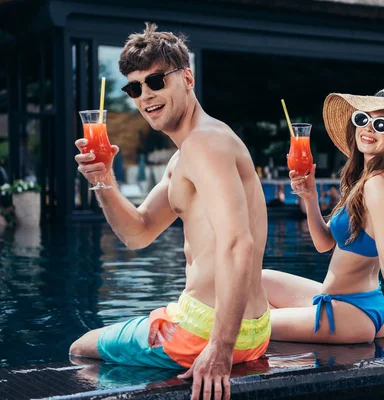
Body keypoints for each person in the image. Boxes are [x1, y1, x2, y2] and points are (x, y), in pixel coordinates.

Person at [70, 23, 270, 400]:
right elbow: (139, 233)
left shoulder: (203, 144)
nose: (145, 96)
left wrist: (220, 348)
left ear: (188, 78)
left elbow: (238, 243)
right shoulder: (188, 154)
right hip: (253, 331)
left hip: (204, 331)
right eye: (134, 88)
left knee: (81, 347)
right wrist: (104, 180)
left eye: (157, 81)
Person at [262, 88, 384, 375]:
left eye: (381, 124)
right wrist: (309, 197)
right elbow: (325, 245)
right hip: (341, 301)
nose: (368, 129)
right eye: (363, 119)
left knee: (245, 324)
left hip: (352, 315)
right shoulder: (366, 179)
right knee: (256, 281)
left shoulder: (379, 184)